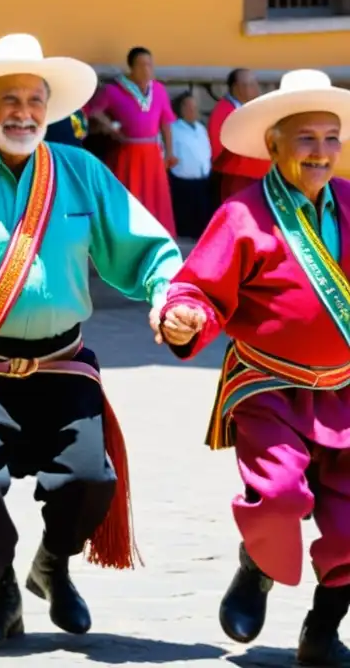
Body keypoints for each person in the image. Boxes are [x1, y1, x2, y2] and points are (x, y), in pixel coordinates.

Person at [0, 33, 184, 647]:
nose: (23, 112)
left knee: (90, 482)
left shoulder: (81, 173)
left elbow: (148, 249)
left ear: (50, 109)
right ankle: (2, 595)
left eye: (34, 100)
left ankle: (52, 566)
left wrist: (167, 295)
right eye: (9, 100)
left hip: (60, 362)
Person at [155, 69, 350, 666]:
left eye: (330, 138)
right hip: (268, 388)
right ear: (274, 144)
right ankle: (256, 565)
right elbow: (198, 288)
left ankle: (322, 630)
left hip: (344, 395)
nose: (320, 153)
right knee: (279, 497)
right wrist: (183, 315)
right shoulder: (242, 215)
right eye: (305, 139)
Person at [86, 46, 178, 236]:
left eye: (149, 65)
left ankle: (156, 236)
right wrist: (110, 127)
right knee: (127, 197)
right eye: (141, 65)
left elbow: (166, 124)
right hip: (126, 152)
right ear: (131, 67)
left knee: (155, 198)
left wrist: (170, 152)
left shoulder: (159, 90)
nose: (146, 69)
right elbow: (93, 112)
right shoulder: (113, 90)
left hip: (152, 152)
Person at [208, 68, 263, 204]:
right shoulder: (223, 111)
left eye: (255, 84)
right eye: (250, 84)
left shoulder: (249, 108)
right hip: (236, 178)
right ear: (236, 87)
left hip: (255, 176)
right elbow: (218, 151)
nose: (256, 89)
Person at [168, 91, 213, 238]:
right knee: (185, 224)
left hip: (202, 181)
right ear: (180, 109)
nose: (193, 110)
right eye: (188, 107)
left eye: (194, 107)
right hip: (183, 183)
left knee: (202, 223)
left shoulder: (201, 128)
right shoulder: (173, 129)